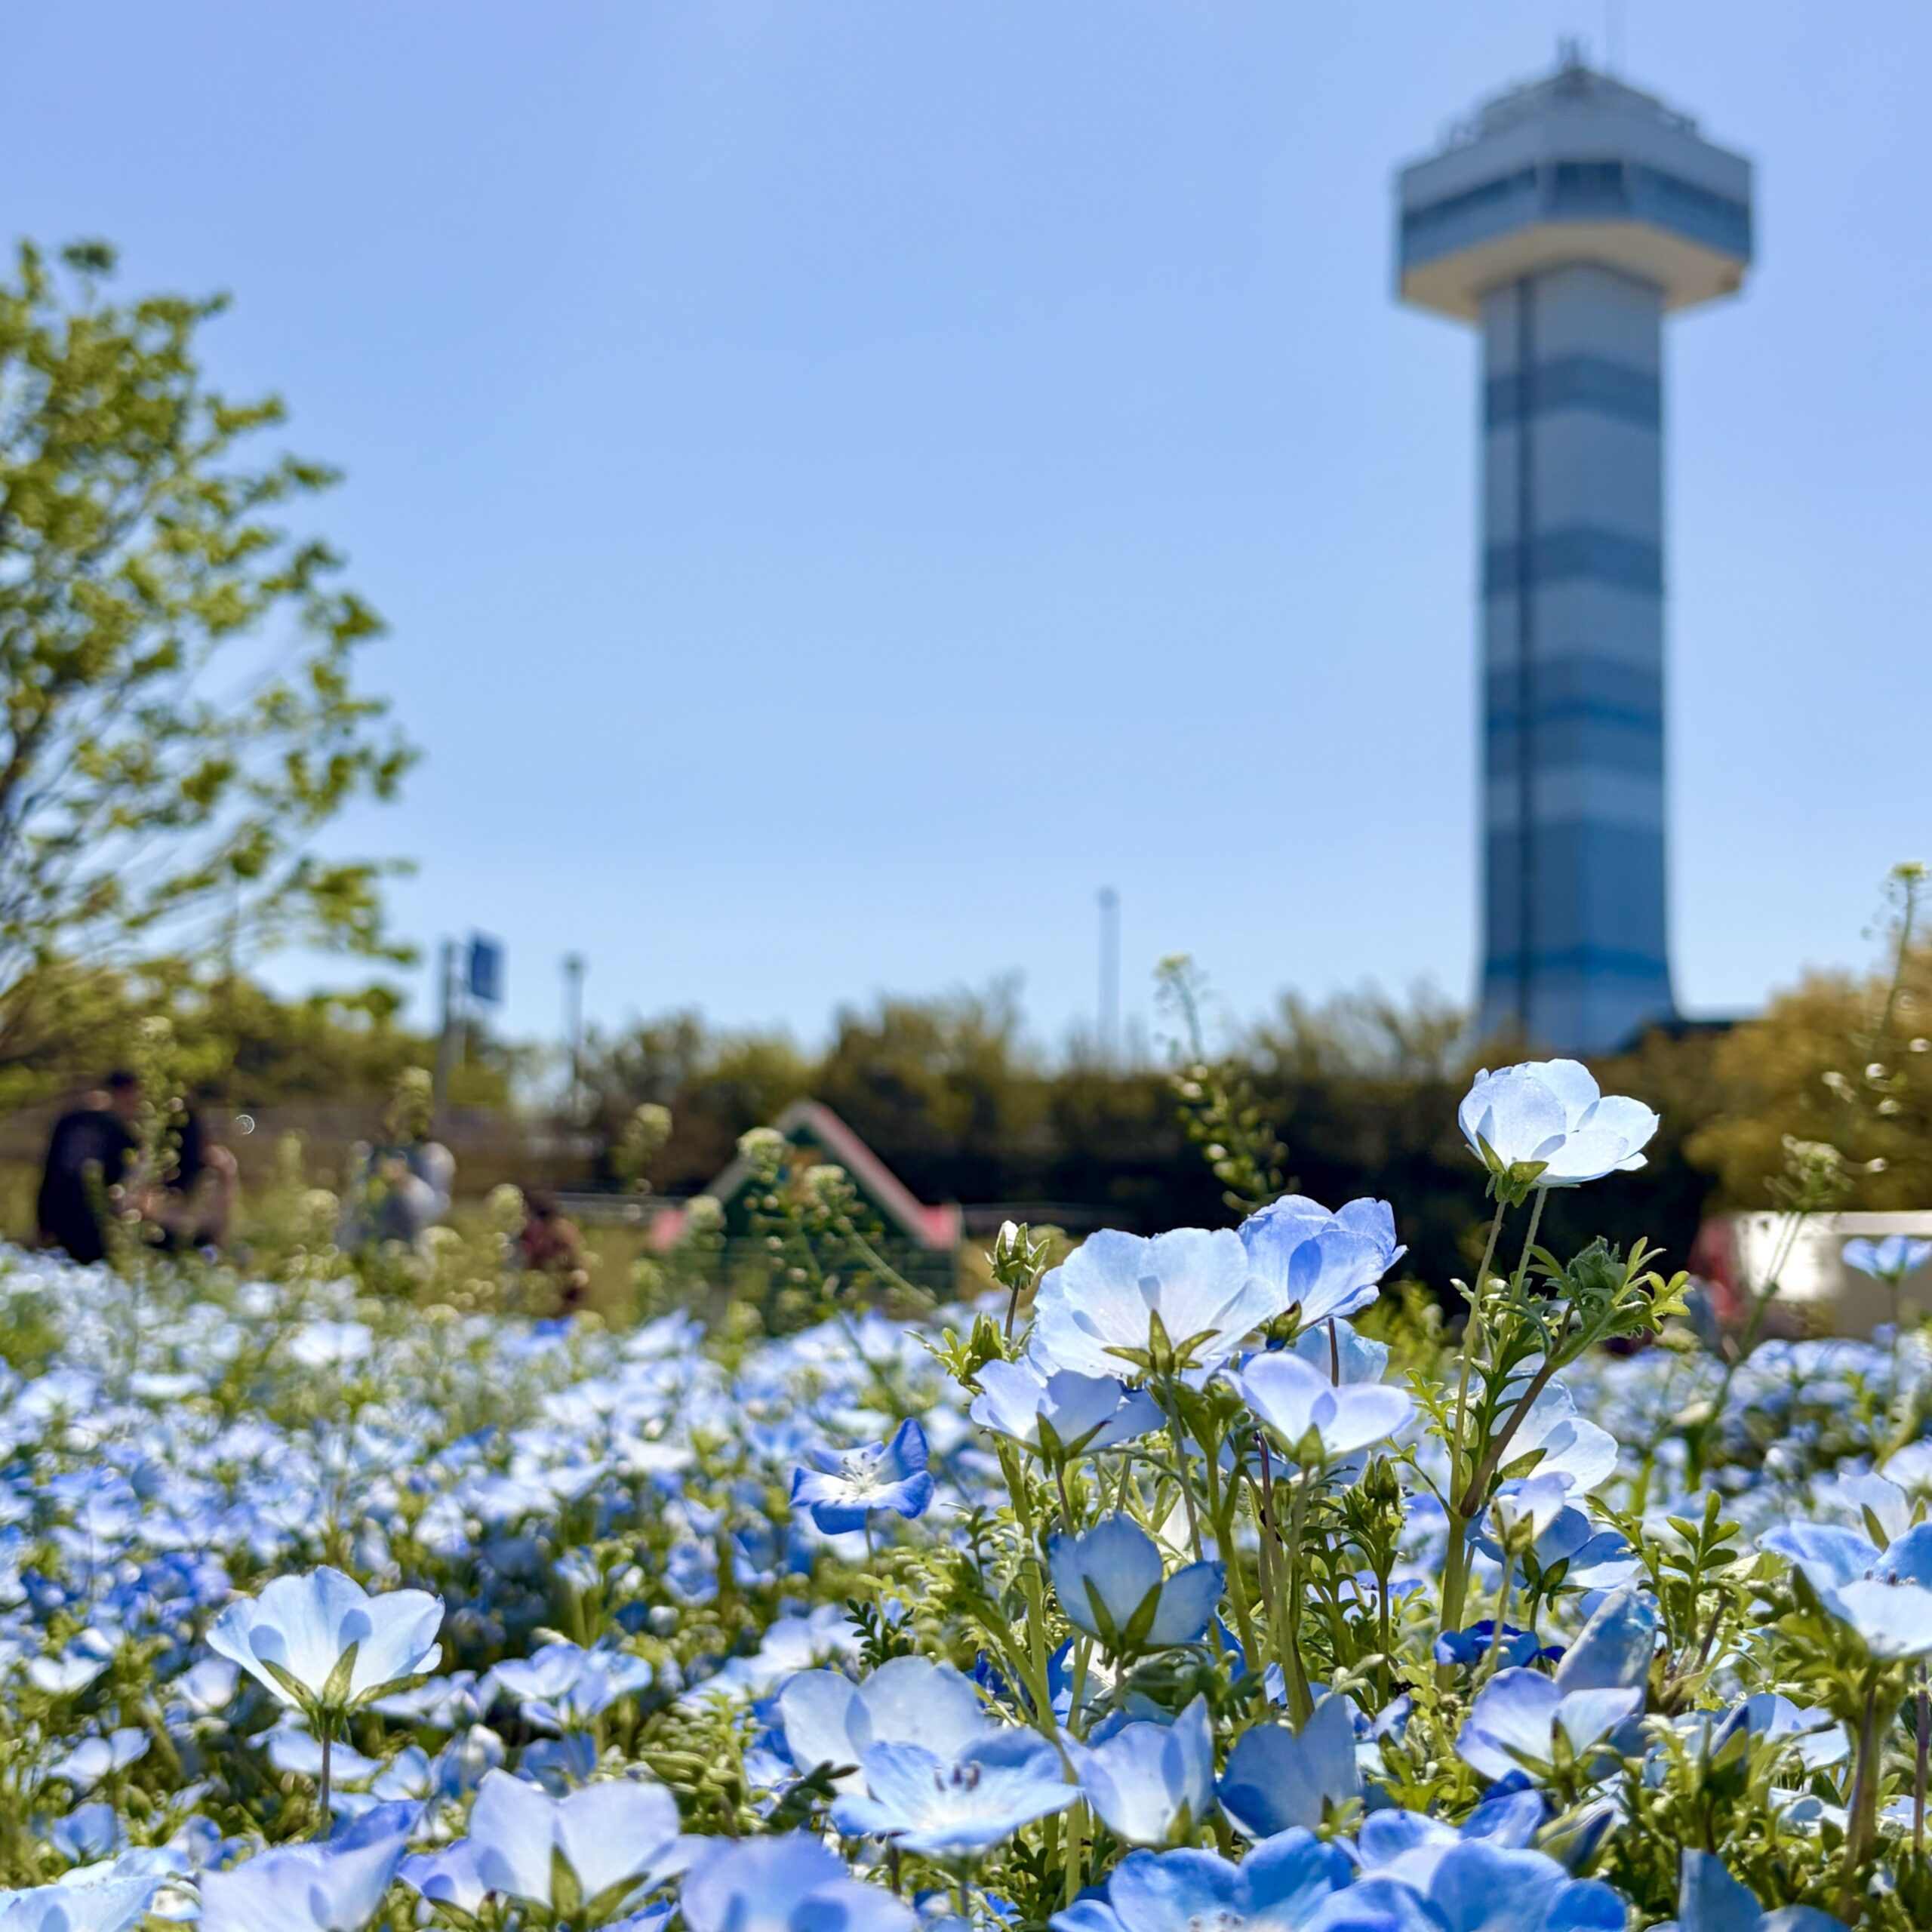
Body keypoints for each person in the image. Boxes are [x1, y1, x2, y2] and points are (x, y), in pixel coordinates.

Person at [35, 1071, 143, 1265]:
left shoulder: (72, 1118)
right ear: (124, 1092)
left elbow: (50, 1173)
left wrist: (44, 1219)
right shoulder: (116, 1127)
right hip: (92, 1216)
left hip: (66, 1212)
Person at [517, 1191, 591, 1311]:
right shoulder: (530, 1232)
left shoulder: (560, 1230)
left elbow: (574, 1257)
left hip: (564, 1283)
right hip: (543, 1284)